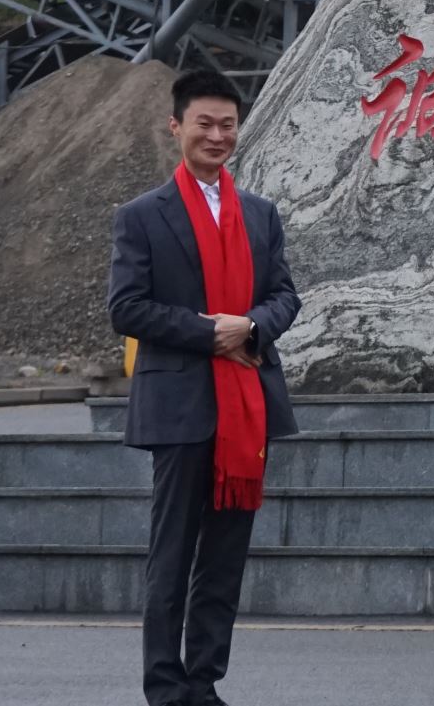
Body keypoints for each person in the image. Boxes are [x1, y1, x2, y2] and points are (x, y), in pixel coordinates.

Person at [108, 69, 301, 706]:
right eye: (204, 124)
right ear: (177, 127)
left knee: (224, 559)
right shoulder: (142, 216)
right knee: (171, 556)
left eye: (227, 125)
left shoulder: (260, 213)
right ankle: (166, 687)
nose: (217, 136)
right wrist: (209, 332)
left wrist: (251, 326)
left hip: (246, 405)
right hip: (181, 406)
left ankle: (204, 682)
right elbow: (126, 308)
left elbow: (284, 296)